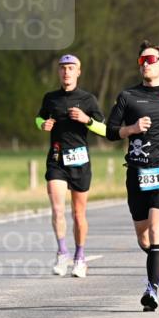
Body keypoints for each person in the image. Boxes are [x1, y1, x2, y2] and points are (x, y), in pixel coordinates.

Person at [106, 42, 159, 311]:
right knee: (144, 238)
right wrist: (131, 128)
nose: (146, 63)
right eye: (142, 60)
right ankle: (158, 262)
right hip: (137, 172)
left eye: (151, 59)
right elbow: (110, 131)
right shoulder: (128, 96)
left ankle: (151, 289)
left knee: (157, 228)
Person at [36, 54, 106, 278]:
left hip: (80, 160)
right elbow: (38, 119)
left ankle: (80, 257)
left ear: (79, 71)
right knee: (57, 209)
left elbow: (104, 129)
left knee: (78, 213)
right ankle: (62, 252)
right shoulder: (50, 98)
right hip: (57, 159)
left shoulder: (88, 99)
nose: (67, 72)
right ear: (59, 72)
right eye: (63, 68)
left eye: (71, 68)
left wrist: (87, 119)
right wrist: (42, 124)